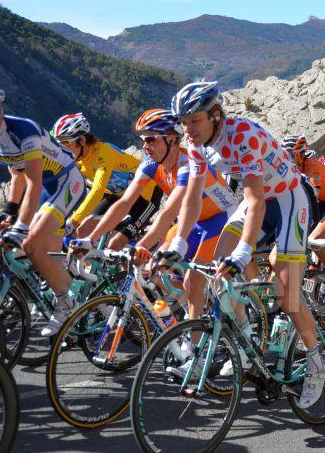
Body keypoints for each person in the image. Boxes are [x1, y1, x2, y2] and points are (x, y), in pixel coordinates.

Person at [158, 81, 325, 408]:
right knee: (218, 268)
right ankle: (249, 341)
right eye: (183, 122)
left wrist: (244, 252)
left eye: (194, 120)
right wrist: (178, 243)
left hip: (289, 199)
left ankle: (316, 361)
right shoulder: (195, 145)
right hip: (258, 202)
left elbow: (255, 199)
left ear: (215, 116)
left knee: (286, 293)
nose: (187, 129)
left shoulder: (241, 135)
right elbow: (192, 198)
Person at [69, 109, 238, 339]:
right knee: (154, 273)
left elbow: (168, 213)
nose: (145, 146)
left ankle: (197, 349)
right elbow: (125, 203)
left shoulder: (189, 164)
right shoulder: (150, 163)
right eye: (142, 140)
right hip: (194, 221)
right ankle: (195, 312)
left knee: (192, 282)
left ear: (171, 139)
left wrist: (143, 246)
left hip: (222, 219)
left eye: (150, 139)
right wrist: (90, 239)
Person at [0, 80, 86, 336]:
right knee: (27, 249)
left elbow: (32, 181)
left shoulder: (23, 130)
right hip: (46, 185)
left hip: (67, 181)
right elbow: (16, 176)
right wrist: (10, 210)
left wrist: (21, 226)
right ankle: (69, 291)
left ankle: (67, 303)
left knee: (31, 242)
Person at [51, 112, 163, 248]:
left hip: (146, 195)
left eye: (66, 143)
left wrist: (73, 221)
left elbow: (97, 190)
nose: (63, 149)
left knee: (115, 242)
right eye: (59, 145)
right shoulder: (79, 162)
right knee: (83, 229)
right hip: (116, 196)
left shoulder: (103, 152)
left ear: (81, 141)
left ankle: (142, 246)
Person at [282, 135, 325, 286]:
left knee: (314, 239)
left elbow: (313, 194)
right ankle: (311, 271)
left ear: (300, 154)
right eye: (285, 155)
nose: (287, 158)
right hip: (321, 203)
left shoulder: (312, 165)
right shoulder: (292, 167)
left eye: (291, 155)